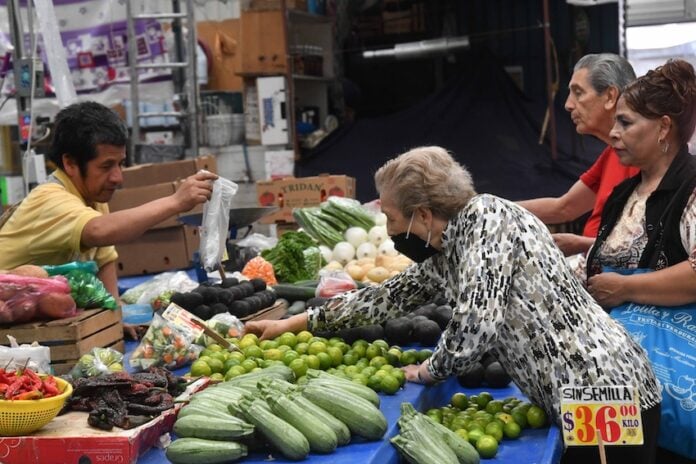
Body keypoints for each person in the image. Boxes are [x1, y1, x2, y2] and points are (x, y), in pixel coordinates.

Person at [246, 146, 661, 464]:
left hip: (601, 389)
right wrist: (296, 322)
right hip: (576, 393)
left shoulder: (488, 219)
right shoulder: (450, 250)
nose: (389, 230)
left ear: (422, 214)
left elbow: (475, 325)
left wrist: (431, 370)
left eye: (391, 218)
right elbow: (384, 298)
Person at [0, 101, 216, 332]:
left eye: (120, 164)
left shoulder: (92, 197)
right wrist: (175, 202)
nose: (118, 177)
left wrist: (113, 321)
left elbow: (105, 261)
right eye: (106, 166)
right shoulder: (49, 199)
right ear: (70, 163)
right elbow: (98, 231)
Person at [585, 59, 696, 308]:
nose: (613, 132)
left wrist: (627, 288)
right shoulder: (623, 194)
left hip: (668, 341)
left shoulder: (690, 186)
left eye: (625, 122)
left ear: (663, 127)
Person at [519, 53, 639, 256]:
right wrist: (493, 207)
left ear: (610, 97)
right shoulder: (611, 155)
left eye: (578, 93)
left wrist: (582, 244)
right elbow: (564, 207)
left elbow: (642, 243)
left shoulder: (644, 159)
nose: (568, 104)